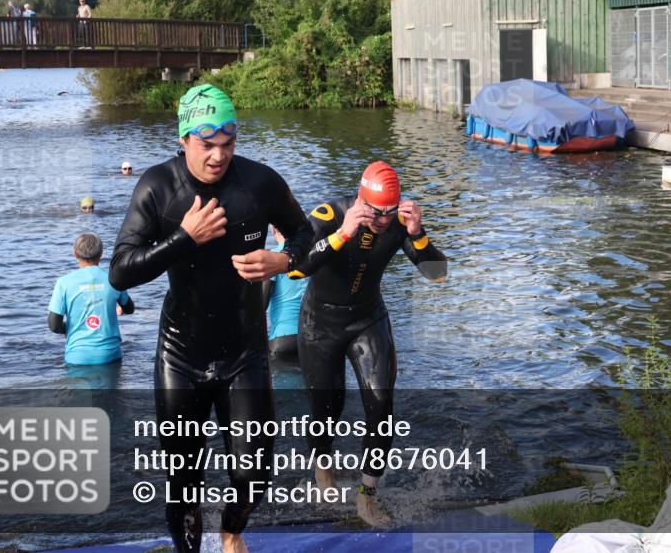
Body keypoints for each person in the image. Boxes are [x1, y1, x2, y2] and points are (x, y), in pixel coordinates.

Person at [109, 84, 314, 553]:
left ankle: (231, 532)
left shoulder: (259, 183)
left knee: (255, 472)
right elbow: (120, 270)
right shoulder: (159, 187)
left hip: (245, 352)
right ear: (183, 139)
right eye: (207, 145)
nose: (218, 155)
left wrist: (284, 261)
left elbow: (306, 232)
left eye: (228, 143)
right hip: (181, 355)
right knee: (183, 480)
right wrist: (184, 237)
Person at [289, 161, 447, 528]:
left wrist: (418, 233)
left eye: (390, 212)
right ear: (361, 200)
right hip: (320, 323)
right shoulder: (330, 214)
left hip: (367, 319)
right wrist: (343, 234)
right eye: (376, 212)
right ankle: (324, 474)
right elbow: (295, 268)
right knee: (327, 410)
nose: (382, 220)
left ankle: (366, 497)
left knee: (381, 404)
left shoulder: (399, 222)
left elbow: (438, 274)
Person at [48, 233, 135, 366]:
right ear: (101, 254)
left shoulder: (63, 283)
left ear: (75, 254)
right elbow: (129, 309)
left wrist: (67, 328)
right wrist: (122, 308)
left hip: (77, 357)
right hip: (110, 356)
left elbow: (54, 325)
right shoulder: (114, 278)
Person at [263, 227, 308, 360]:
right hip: (312, 338)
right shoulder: (314, 256)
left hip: (283, 339)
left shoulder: (272, 258)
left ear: (273, 230)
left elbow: (261, 305)